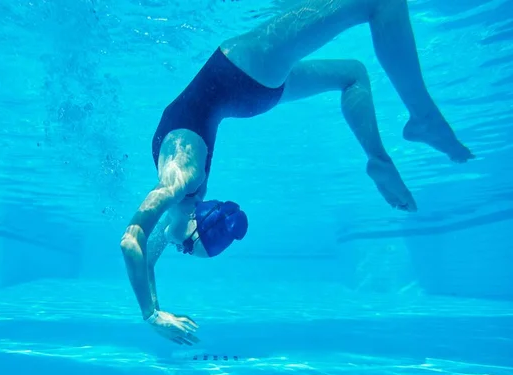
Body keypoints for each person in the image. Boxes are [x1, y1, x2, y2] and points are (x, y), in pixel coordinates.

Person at [120, 0, 474, 346]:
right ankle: (416, 124)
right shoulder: (180, 195)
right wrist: (153, 310)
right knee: (377, 10)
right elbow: (145, 253)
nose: (173, 243)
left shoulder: (181, 181)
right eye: (180, 245)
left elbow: (133, 242)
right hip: (240, 74)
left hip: (244, 77)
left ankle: (385, 153)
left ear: (194, 232)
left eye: (186, 247)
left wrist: (152, 314)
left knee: (354, 71)